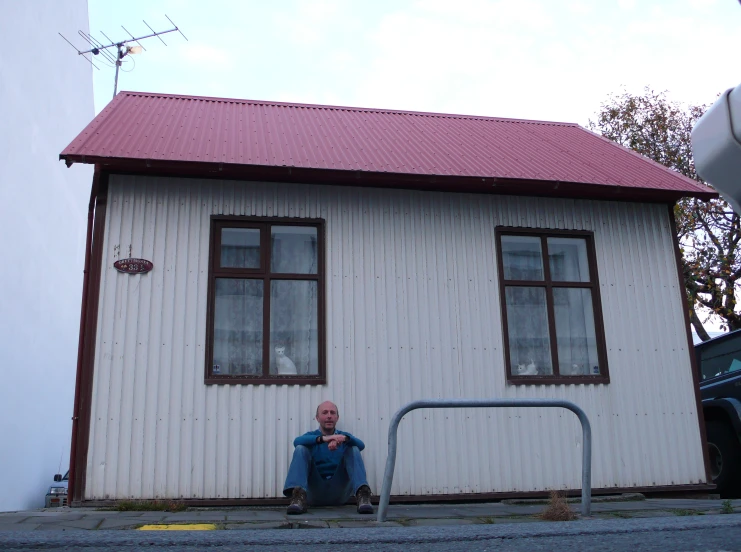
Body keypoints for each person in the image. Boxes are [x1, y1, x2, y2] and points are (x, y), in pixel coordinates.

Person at [283, 400, 374, 515]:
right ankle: (297, 499)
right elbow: (297, 442)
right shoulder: (311, 437)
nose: (329, 416)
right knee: (301, 448)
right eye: (325, 413)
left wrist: (344, 439)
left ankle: (363, 497)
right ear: (317, 418)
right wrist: (324, 439)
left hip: (340, 493)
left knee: (353, 448)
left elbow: (361, 445)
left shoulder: (343, 437)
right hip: (313, 494)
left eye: (332, 413)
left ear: (337, 417)